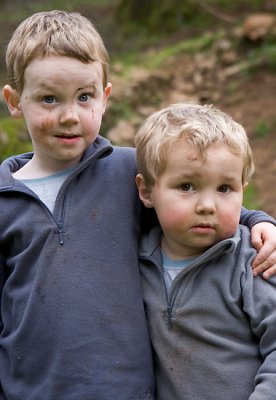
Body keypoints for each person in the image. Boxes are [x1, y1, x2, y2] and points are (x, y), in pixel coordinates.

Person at [0, 10, 275, 400]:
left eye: (85, 97)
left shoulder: (128, 171)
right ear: (14, 101)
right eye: (48, 98)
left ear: (105, 97)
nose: (69, 115)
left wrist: (262, 222)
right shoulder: (4, 201)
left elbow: (203, 199)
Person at [135, 103, 276, 400]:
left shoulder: (254, 260)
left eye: (225, 189)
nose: (207, 205)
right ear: (147, 191)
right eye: (187, 186)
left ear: (243, 189)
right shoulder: (135, 259)